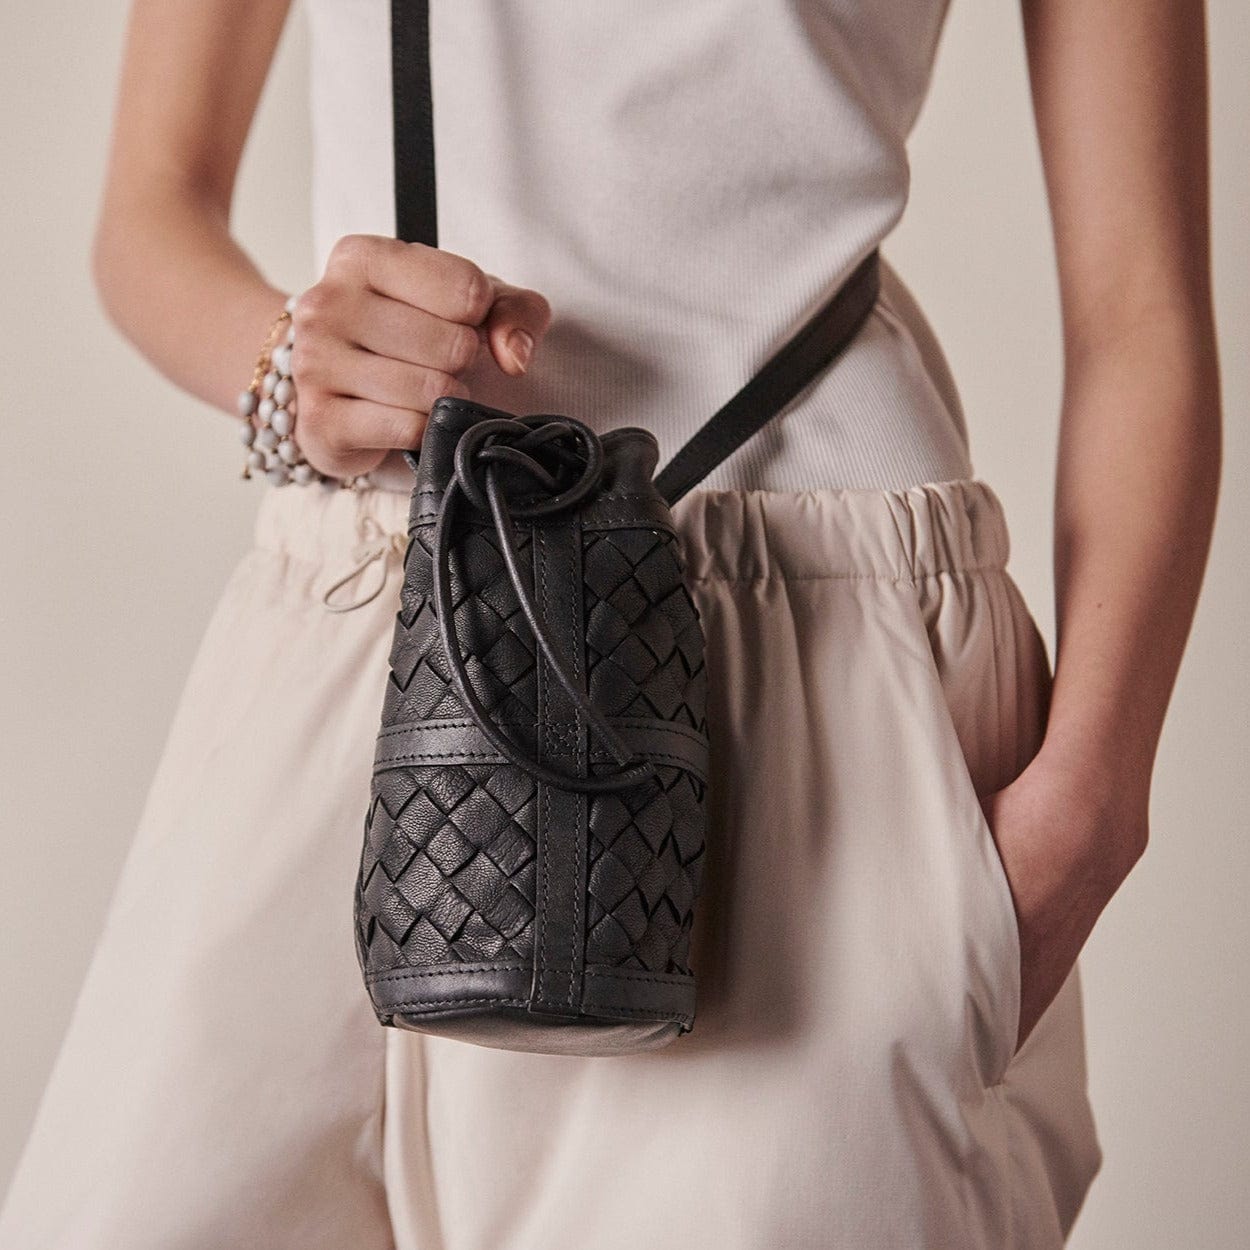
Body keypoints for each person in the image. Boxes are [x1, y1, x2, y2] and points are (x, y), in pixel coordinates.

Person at [0, 1, 1221, 1247]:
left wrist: (1086, 807)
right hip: (373, 617)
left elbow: (1140, 304)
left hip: (815, 658)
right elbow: (150, 204)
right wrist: (287, 366)